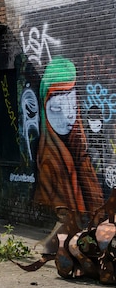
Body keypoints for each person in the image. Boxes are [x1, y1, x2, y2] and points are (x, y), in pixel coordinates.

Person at [34, 57, 103, 219]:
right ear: (45, 108)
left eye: (72, 105)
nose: (69, 115)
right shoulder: (48, 165)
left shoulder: (80, 152)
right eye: (58, 107)